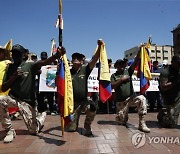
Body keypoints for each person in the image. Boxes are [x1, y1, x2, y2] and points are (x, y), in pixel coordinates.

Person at [0, 44, 65, 143]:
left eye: (18, 53)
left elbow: (44, 62)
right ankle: (9, 130)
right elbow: (4, 87)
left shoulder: (30, 65)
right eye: (13, 53)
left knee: (33, 131)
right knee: (0, 100)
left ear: (23, 55)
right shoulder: (9, 68)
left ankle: (41, 116)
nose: (15, 56)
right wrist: (13, 77)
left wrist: (56, 55)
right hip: (13, 98)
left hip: (28, 102)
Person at [67, 39, 104, 136]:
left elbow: (94, 60)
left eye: (78, 58)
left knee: (92, 107)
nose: (75, 59)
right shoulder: (67, 72)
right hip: (73, 103)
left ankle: (87, 125)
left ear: (81, 61)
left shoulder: (85, 70)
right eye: (74, 57)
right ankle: (73, 122)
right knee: (71, 129)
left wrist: (100, 47)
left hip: (84, 101)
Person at [111, 50, 150, 133]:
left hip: (131, 98)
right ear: (116, 66)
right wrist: (121, 80)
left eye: (123, 64)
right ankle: (123, 117)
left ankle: (142, 124)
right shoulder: (113, 76)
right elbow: (112, 86)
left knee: (142, 98)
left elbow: (135, 62)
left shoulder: (128, 71)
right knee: (121, 122)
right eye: (119, 64)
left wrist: (140, 51)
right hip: (121, 101)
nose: (121, 65)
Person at [157, 55, 180, 128]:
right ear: (172, 62)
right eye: (178, 63)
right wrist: (176, 81)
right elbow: (163, 87)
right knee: (172, 123)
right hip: (170, 98)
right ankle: (161, 116)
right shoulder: (165, 72)